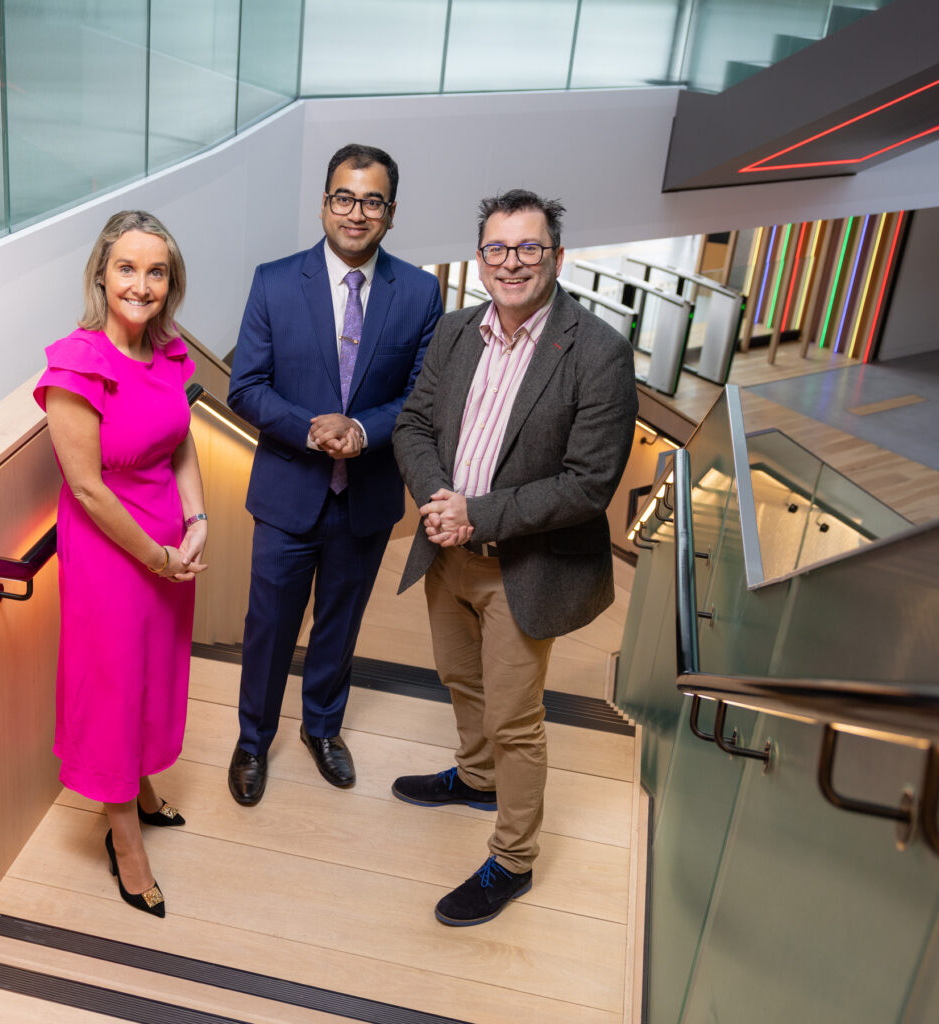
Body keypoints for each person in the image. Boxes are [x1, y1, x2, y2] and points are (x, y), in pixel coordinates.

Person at [391, 189, 637, 926]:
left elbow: (588, 484)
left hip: (524, 565)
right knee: (457, 678)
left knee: (515, 718)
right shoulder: (457, 331)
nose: (512, 263)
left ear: (555, 258)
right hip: (448, 548)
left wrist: (476, 514)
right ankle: (473, 779)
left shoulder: (597, 352)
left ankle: (513, 858)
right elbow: (412, 425)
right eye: (497, 249)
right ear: (480, 258)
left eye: (528, 248)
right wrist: (438, 497)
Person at [226, 144, 443, 805]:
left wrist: (364, 430)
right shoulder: (272, 281)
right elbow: (246, 387)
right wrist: (311, 427)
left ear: (391, 213)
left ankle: (322, 728)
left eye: (371, 200)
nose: (356, 212)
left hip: (367, 496)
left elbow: (420, 394)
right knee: (269, 627)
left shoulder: (420, 290)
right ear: (325, 203)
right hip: (288, 490)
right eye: (344, 198)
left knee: (339, 623)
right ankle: (253, 740)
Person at [35, 210, 209, 918]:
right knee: (112, 685)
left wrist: (196, 518)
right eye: (127, 268)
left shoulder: (166, 355)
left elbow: (181, 444)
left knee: (153, 670)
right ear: (101, 274)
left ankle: (139, 784)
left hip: (168, 544)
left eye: (156, 271)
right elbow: (84, 487)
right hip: (113, 553)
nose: (141, 284)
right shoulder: (79, 361)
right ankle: (124, 841)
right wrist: (158, 557)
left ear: (171, 284)